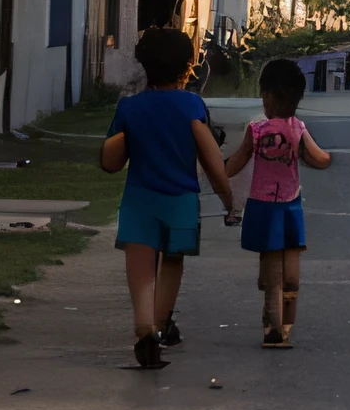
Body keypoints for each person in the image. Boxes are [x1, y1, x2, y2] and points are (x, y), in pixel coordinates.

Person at [100, 26, 236, 371]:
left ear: (143, 64)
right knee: (172, 263)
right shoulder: (192, 104)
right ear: (188, 65)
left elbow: (112, 160)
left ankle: (144, 329)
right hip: (180, 201)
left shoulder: (128, 108)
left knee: (142, 269)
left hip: (139, 199)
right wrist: (228, 198)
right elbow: (210, 158)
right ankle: (160, 327)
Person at [223, 58, 331, 347]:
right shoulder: (278, 130)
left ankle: (277, 325)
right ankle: (278, 326)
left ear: (269, 96)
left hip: (271, 205)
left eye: (262, 96)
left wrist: (216, 173)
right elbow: (322, 159)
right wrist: (307, 153)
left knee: (274, 270)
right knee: (286, 273)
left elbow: (235, 162)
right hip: (284, 205)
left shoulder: (269, 130)